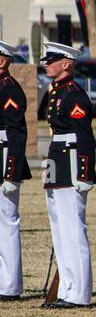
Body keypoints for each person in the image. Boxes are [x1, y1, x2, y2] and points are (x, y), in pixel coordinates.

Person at [40, 41, 94, 309]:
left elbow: (85, 136)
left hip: (71, 159)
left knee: (73, 228)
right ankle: (67, 288)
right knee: (60, 228)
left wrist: (85, 173)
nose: (46, 63)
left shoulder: (73, 93)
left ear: (66, 63)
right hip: (57, 158)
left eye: (52, 59)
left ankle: (79, 293)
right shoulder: (57, 91)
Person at [0, 39, 31, 300]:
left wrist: (11, 172)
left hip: (4, 158)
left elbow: (17, 133)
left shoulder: (9, 89)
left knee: (6, 221)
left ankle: (9, 286)